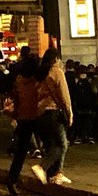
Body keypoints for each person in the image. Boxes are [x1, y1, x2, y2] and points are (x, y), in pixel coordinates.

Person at [32, 48, 72, 187]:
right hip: (52, 112)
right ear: (56, 59)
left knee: (51, 145)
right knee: (62, 144)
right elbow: (64, 95)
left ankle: (54, 175)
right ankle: (42, 167)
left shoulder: (40, 74)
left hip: (39, 114)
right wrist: (69, 113)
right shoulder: (56, 72)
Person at [5, 51, 41, 196]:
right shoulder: (37, 81)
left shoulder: (19, 80)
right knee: (55, 142)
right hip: (36, 115)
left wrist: (16, 115)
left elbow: (16, 99)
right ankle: (49, 173)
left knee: (21, 152)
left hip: (23, 117)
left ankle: (12, 178)